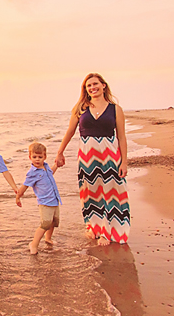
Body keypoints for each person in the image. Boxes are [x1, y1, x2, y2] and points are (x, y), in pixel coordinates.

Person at [54, 72, 130, 246]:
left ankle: (107, 232)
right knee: (91, 193)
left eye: (95, 84)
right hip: (88, 156)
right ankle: (93, 227)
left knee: (110, 193)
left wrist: (124, 161)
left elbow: (122, 137)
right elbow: (70, 131)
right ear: (85, 89)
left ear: (103, 85)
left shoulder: (115, 109)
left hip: (110, 154)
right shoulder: (80, 107)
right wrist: (60, 152)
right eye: (88, 86)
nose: (92, 88)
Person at [15, 142, 61, 255]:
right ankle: (34, 244)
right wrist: (18, 196)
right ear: (30, 157)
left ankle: (48, 238)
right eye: (34, 157)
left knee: (53, 222)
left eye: (40, 157)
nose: (37, 159)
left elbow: (51, 173)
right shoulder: (32, 173)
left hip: (54, 199)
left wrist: (56, 166)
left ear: (44, 157)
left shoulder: (46, 167)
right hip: (45, 202)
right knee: (45, 223)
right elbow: (25, 185)